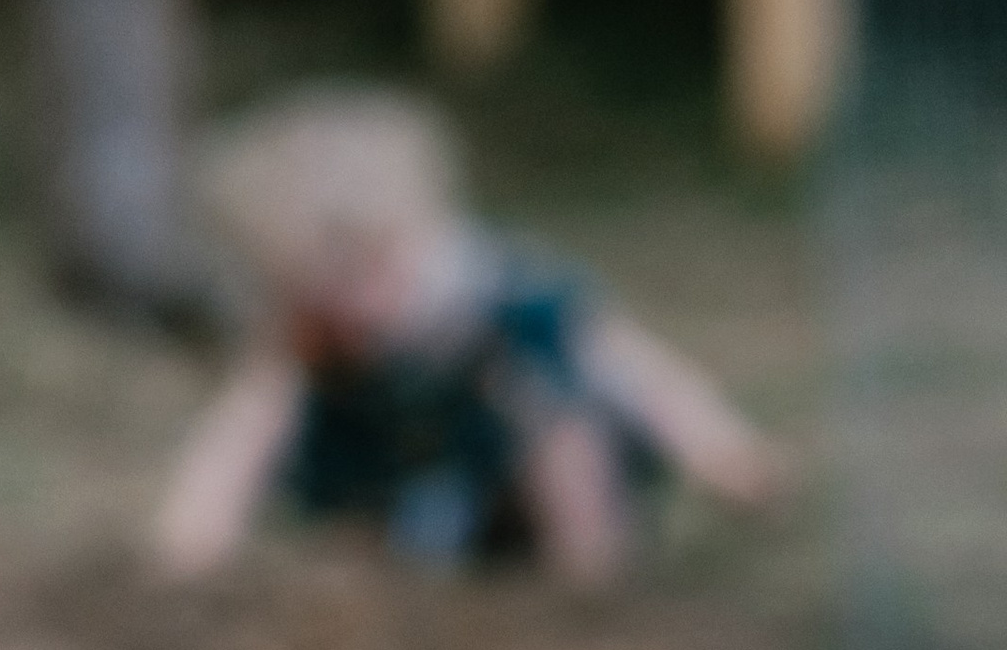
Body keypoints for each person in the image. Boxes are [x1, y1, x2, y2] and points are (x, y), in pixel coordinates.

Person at [150, 89, 781, 587]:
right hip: (394, 485)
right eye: (322, 294)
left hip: (515, 480)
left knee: (558, 421)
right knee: (348, 530)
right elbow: (242, 433)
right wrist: (190, 545)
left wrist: (719, 451)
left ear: (419, 232)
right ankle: (398, 613)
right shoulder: (310, 338)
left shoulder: (502, 296)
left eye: (373, 276)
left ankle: (591, 590)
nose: (357, 310)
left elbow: (630, 366)